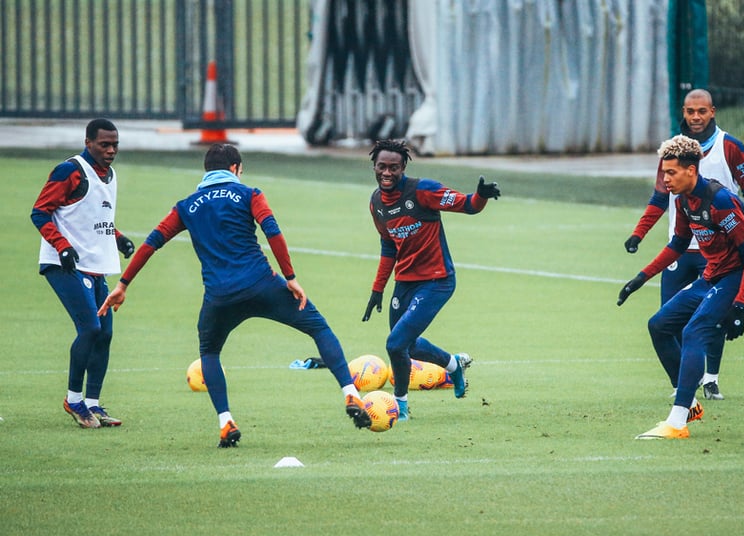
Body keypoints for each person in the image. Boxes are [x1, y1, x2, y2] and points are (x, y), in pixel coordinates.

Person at [98, 144, 371, 447]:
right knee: (318, 328)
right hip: (263, 284)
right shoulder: (249, 194)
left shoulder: (186, 205)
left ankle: (225, 422)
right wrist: (291, 278)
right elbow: (273, 231)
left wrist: (123, 284)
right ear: (235, 168)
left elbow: (151, 243)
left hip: (219, 297)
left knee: (210, 352)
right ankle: (350, 393)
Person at [617, 135, 744, 440]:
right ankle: (689, 403)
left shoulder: (721, 202)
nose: (665, 179)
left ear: (691, 170)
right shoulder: (683, 200)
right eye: (663, 173)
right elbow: (677, 244)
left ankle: (677, 421)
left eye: (671, 173)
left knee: (694, 331)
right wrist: (640, 278)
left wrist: (740, 306)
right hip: (714, 277)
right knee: (659, 325)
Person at [362, 139, 500, 421]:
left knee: (395, 344)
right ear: (374, 167)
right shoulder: (376, 203)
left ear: (403, 168)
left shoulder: (423, 190)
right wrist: (378, 289)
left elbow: (468, 205)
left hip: (437, 281)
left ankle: (399, 406)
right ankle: (454, 365)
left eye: (394, 168)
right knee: (407, 346)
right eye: (381, 167)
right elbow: (389, 246)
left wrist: (481, 195)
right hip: (405, 281)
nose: (387, 173)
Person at [31, 118, 134, 429]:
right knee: (89, 328)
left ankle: (92, 403)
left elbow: (92, 218)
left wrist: (118, 239)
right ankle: (74, 400)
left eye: (115, 144)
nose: (111, 150)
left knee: (105, 333)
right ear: (88, 142)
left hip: (95, 264)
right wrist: (61, 246)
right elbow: (40, 211)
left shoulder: (110, 174)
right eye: (104, 144)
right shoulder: (70, 170)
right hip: (64, 265)